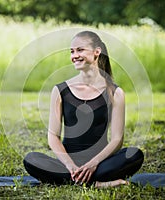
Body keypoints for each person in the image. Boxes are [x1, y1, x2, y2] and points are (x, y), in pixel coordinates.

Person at [23, 31, 144, 188]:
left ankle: (78, 180)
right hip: (68, 165)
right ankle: (94, 183)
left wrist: (93, 164)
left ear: (97, 52)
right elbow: (53, 137)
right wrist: (71, 166)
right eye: (72, 51)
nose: (74, 55)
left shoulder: (115, 92)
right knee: (31, 159)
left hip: (101, 163)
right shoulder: (60, 90)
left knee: (135, 154)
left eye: (80, 50)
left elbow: (117, 140)